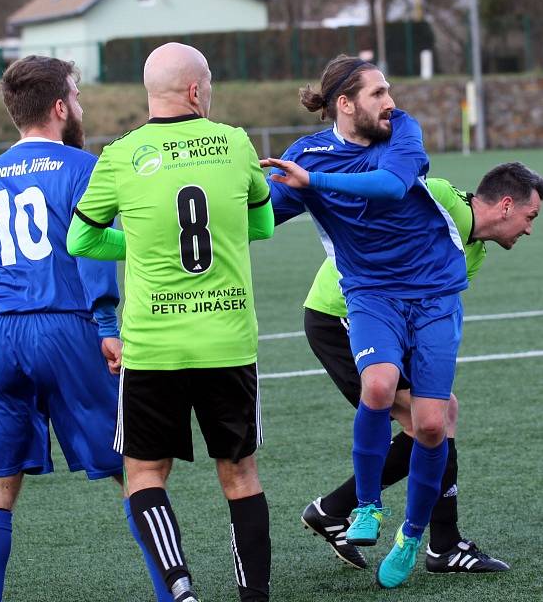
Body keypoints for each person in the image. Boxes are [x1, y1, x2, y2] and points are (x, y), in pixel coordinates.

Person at [67, 42, 275, 602]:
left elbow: (80, 239)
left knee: (144, 474)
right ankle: (253, 596)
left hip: (153, 347)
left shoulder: (121, 154)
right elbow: (262, 228)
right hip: (227, 342)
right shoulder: (236, 144)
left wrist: (134, 242)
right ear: (194, 91)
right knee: (240, 476)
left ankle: (179, 586)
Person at [262, 54, 470, 589]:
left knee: (430, 423)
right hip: (371, 293)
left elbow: (392, 186)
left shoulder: (401, 131)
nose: (390, 101)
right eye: (377, 93)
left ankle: (411, 536)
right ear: (345, 104)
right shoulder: (305, 155)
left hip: (434, 291)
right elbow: (262, 215)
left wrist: (315, 182)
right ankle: (368, 510)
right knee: (377, 386)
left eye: (389, 89)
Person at [0, 56, 172, 602]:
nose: (79, 106)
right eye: (77, 97)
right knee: (138, 468)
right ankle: (170, 592)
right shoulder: (84, 167)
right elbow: (91, 259)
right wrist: (107, 324)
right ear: (60, 107)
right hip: (68, 326)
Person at [301, 163, 542, 575]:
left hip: (397, 322)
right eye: (530, 216)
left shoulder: (474, 253)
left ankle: (346, 514)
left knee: (440, 414)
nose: (529, 229)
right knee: (428, 419)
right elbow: (386, 191)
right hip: (342, 314)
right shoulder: (441, 197)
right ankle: (436, 542)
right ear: (506, 205)